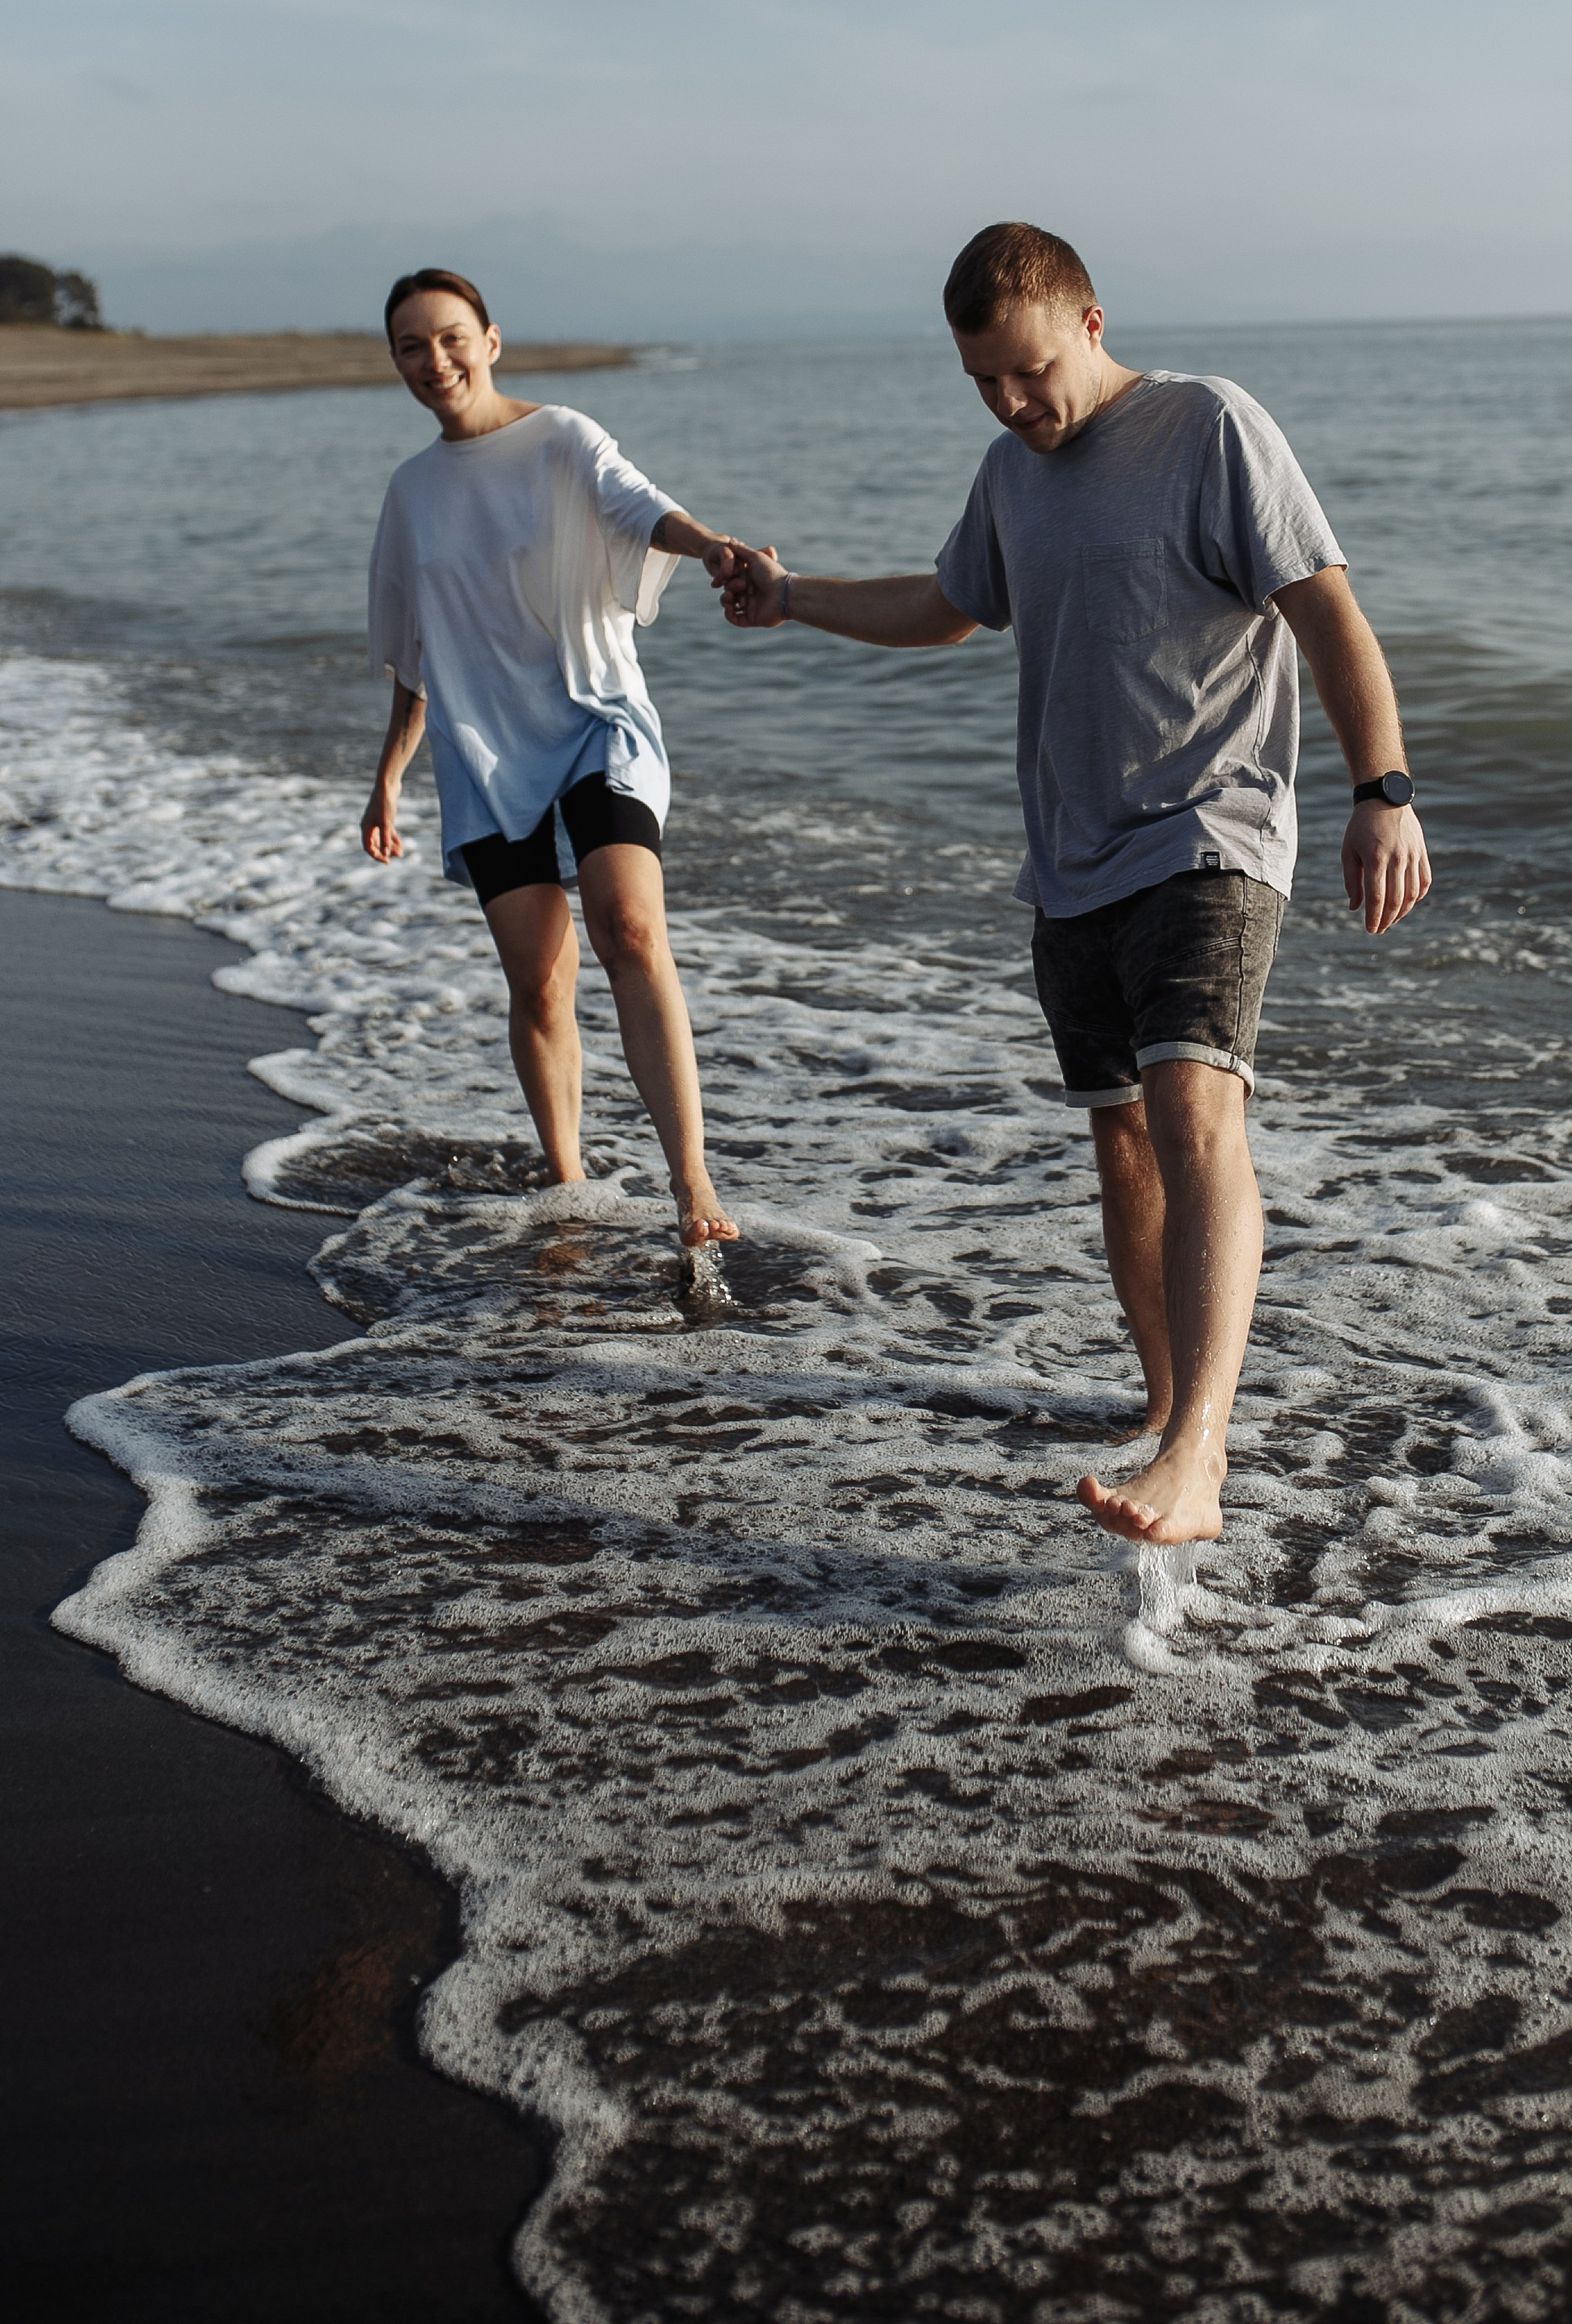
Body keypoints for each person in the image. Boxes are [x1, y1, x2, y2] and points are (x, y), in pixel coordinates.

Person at [714, 221, 1430, 1542]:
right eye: (983, 380)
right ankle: (1168, 1419)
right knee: (1121, 1135)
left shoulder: (1210, 427)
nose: (1012, 401)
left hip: (1210, 831)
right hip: (1072, 855)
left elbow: (1329, 609)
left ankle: (1202, 1455)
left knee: (1192, 1109)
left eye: (1030, 371)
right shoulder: (1009, 472)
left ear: (1092, 325)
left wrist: (1383, 793)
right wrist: (792, 596)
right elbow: (947, 608)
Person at [361, 267, 740, 1253]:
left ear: (491, 340)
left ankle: (690, 1178)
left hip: (590, 719)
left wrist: (709, 547)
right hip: (484, 750)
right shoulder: (410, 494)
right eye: (411, 345)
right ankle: (567, 1184)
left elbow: (638, 505)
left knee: (626, 923)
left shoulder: (562, 437)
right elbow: (416, 650)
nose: (432, 360)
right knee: (537, 982)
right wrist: (389, 776)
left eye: (449, 337)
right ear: (396, 361)